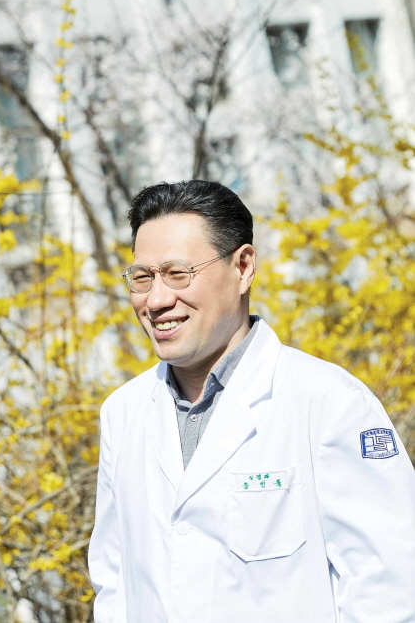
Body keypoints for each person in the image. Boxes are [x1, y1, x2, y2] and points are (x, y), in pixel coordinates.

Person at [88, 180, 415, 623]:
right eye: (143, 278)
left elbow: (391, 590)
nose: (157, 300)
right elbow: (114, 583)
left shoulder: (329, 402)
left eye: (178, 274)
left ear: (242, 268)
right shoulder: (122, 413)